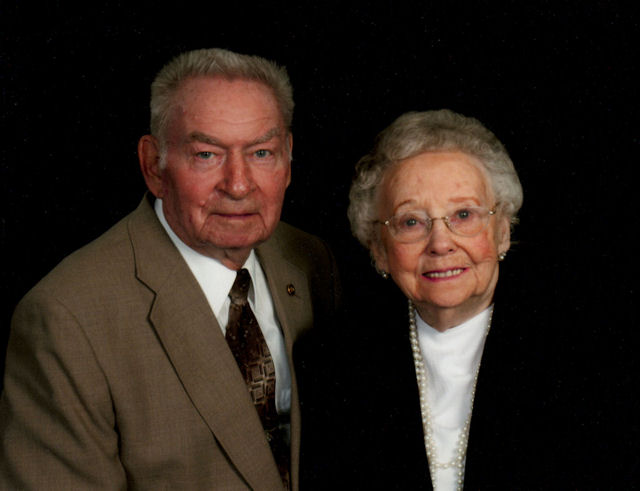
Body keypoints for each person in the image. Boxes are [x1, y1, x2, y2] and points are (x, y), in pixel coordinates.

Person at [0, 48, 340, 490]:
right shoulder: (67, 320)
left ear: (288, 158)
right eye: (206, 154)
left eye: (261, 152)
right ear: (153, 166)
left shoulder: (312, 261)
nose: (239, 185)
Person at [298, 109, 562, 489]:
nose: (440, 243)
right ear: (379, 250)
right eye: (411, 222)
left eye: (464, 214)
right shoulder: (332, 365)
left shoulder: (575, 355)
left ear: (503, 231)